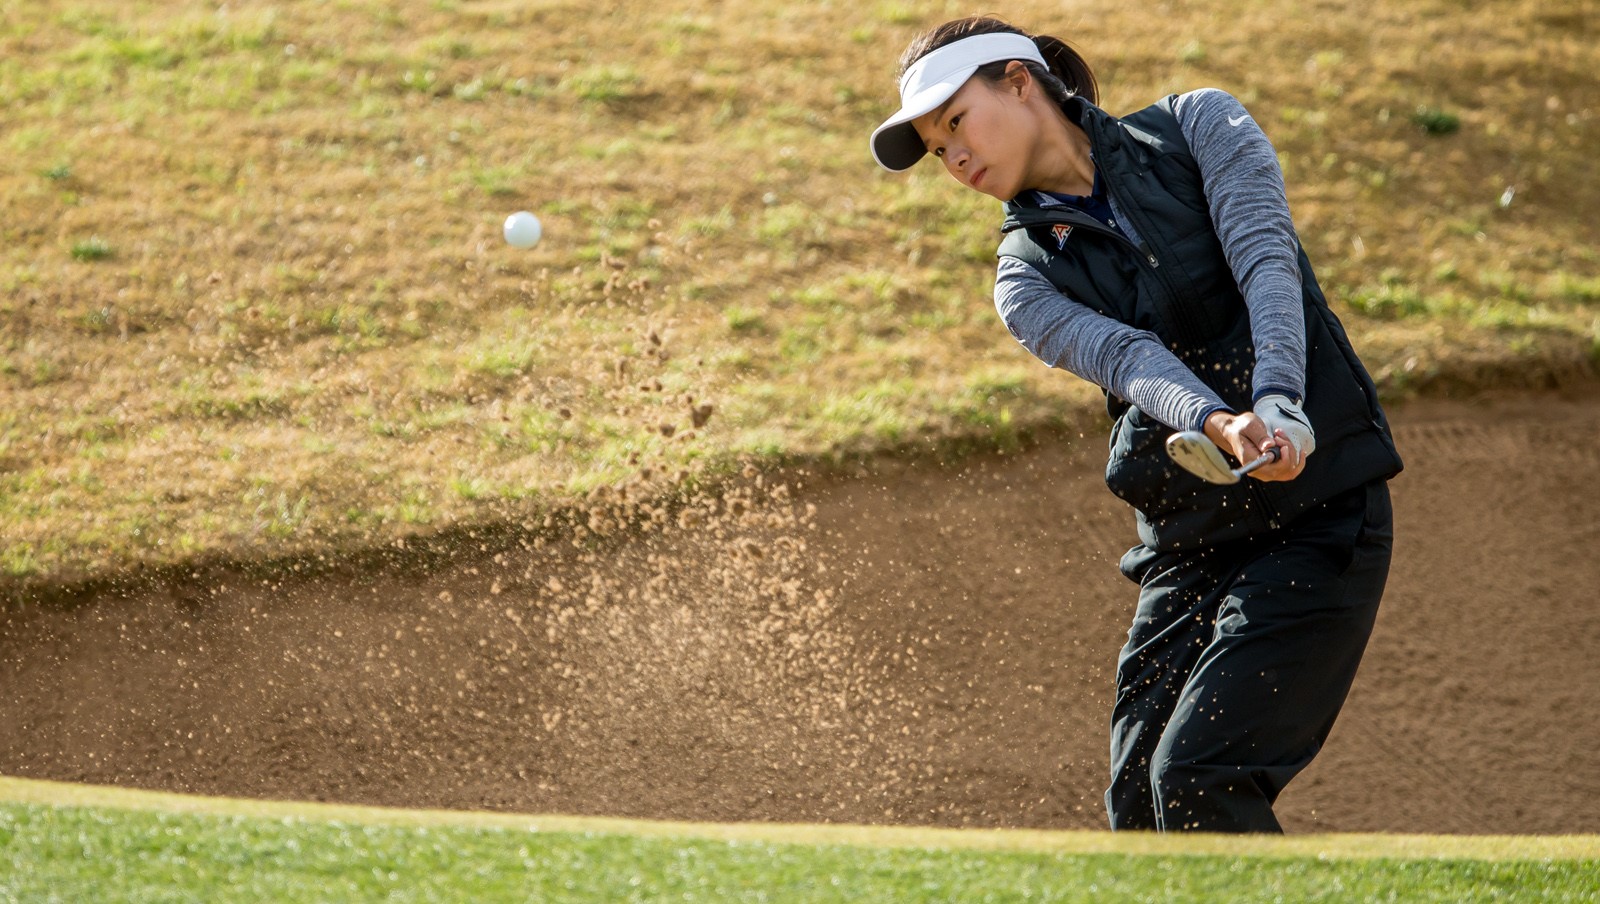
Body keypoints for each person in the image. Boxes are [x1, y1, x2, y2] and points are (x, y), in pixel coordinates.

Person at [870, 16, 1404, 833]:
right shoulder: (1024, 278)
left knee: (1197, 778)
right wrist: (1219, 422)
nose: (956, 158)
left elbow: (1266, 261)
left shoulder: (1198, 126)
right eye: (939, 152)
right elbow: (1130, 361)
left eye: (954, 123)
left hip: (1319, 517)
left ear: (1019, 80)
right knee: (1138, 808)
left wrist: (1280, 402)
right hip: (1189, 544)